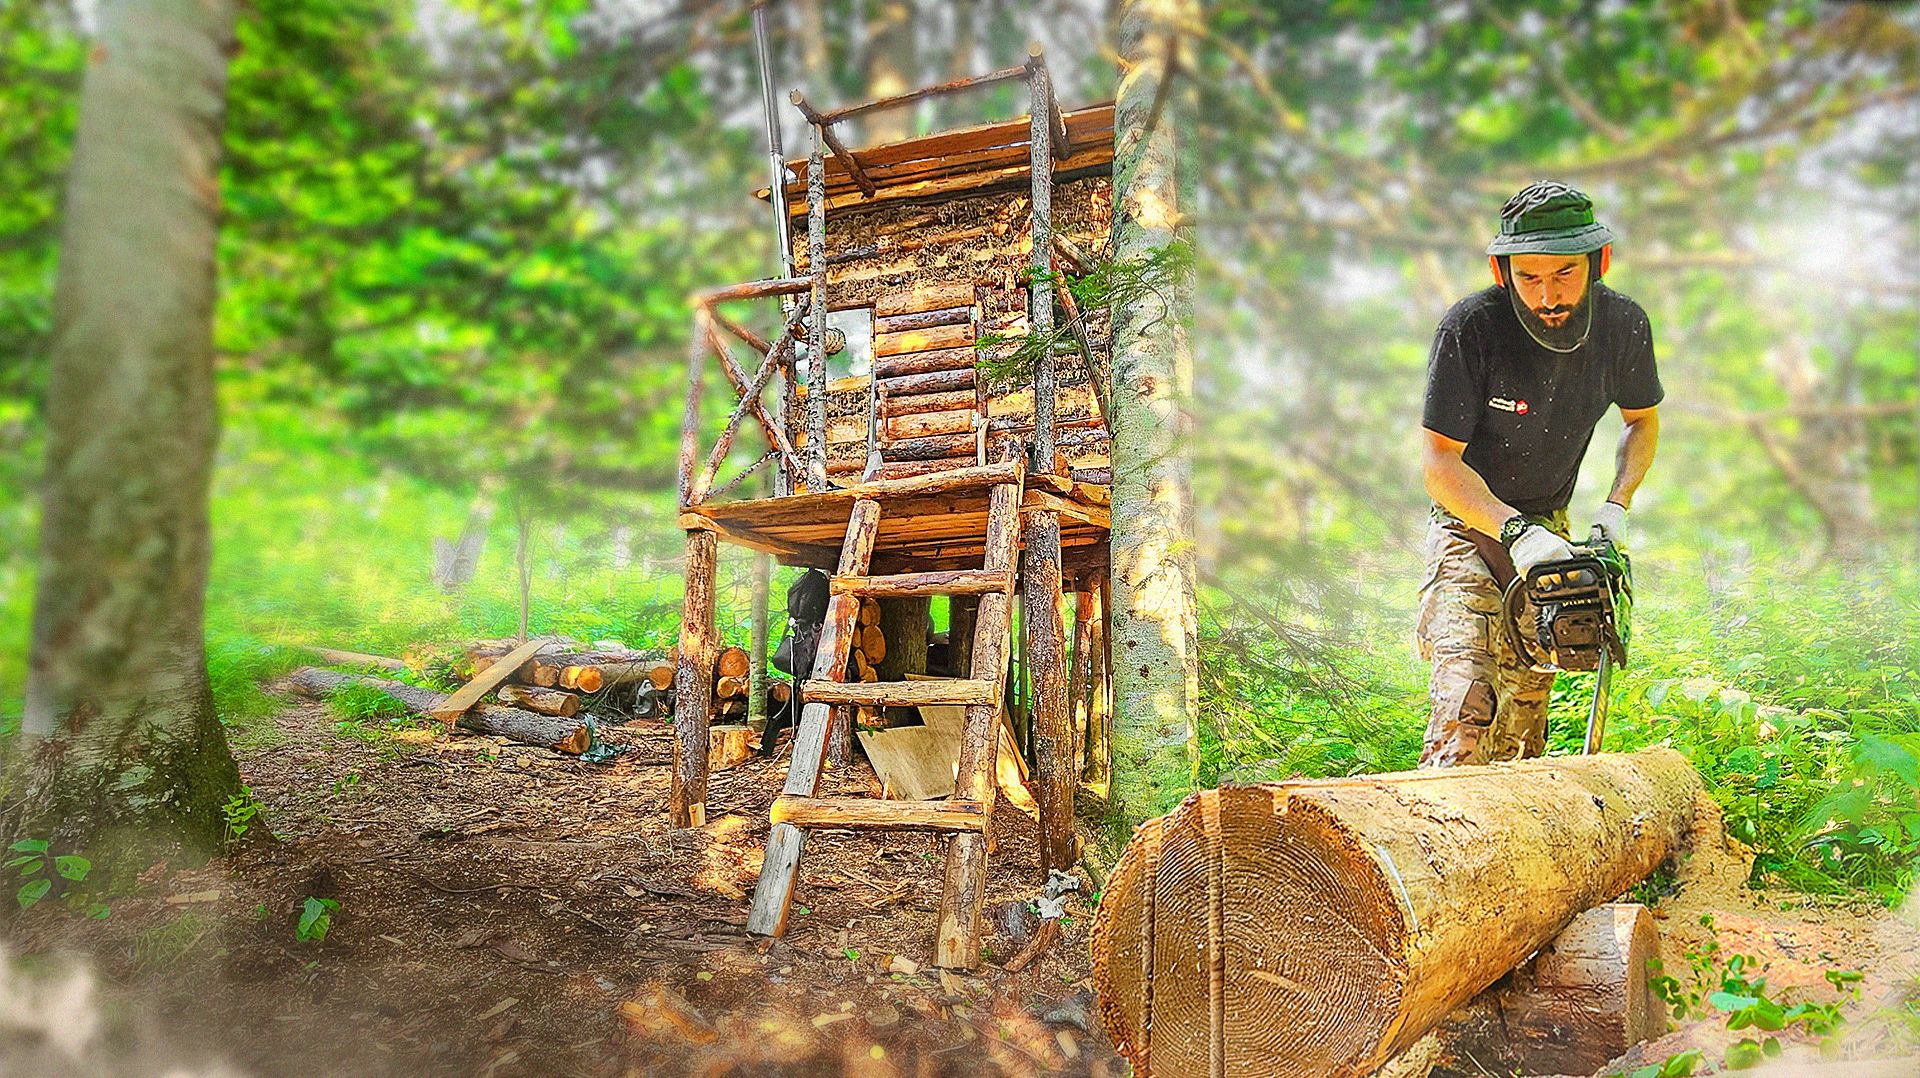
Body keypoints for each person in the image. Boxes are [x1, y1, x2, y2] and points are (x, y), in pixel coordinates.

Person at [1416, 181, 1662, 767]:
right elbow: (1439, 463)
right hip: (1468, 525)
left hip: (1552, 522)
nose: (1547, 294)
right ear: (1504, 272)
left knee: (1524, 721)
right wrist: (1513, 531)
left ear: (1597, 263)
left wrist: (1615, 507)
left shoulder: (1623, 326)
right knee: (1466, 699)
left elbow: (1642, 422)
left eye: (1563, 276)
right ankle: (1436, 829)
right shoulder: (1471, 330)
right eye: (1529, 278)